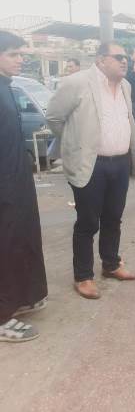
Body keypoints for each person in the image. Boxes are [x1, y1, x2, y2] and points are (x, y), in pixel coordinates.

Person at [46, 42, 135, 300]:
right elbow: (54, 118)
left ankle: (111, 264)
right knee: (88, 222)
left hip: (119, 163)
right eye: (118, 56)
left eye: (126, 57)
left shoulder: (126, 85)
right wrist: (75, 144)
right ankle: (83, 276)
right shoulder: (77, 83)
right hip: (91, 164)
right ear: (100, 60)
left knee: (114, 218)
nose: (124, 61)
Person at [0, 31, 48, 342]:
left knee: (20, 239)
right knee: (5, 245)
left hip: (15, 180)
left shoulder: (6, 87)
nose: (20, 59)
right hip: (4, 185)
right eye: (13, 54)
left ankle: (17, 298)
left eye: (21, 54)